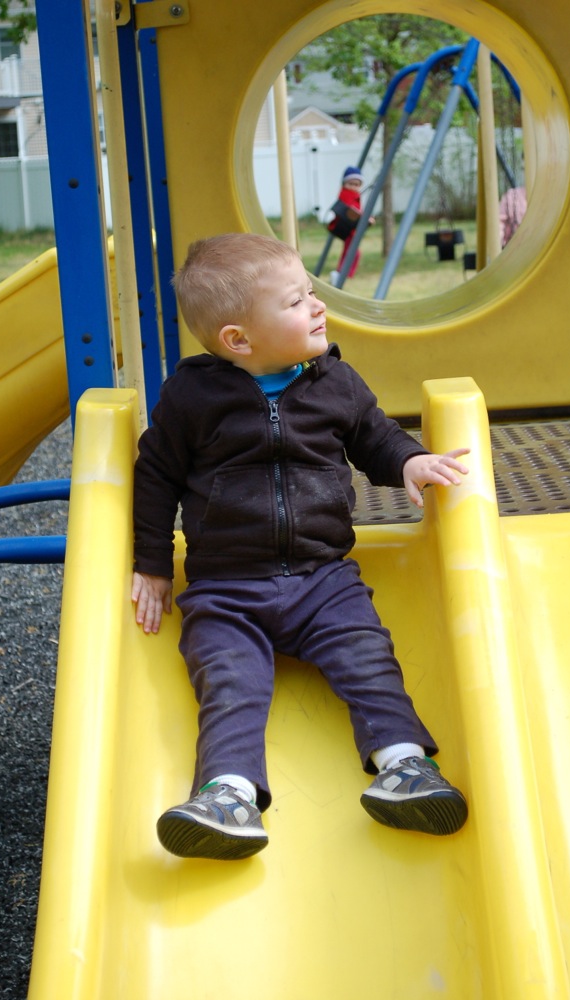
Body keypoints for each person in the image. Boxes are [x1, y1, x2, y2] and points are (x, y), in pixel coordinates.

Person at [132, 232, 469, 861]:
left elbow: (375, 437)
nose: (318, 306)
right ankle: (227, 796)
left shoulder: (335, 382)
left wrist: (410, 461)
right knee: (229, 682)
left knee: (367, 656)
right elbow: (155, 476)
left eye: (310, 292)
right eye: (295, 301)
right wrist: (151, 565)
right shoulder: (192, 399)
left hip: (323, 578)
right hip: (225, 590)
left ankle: (405, 766)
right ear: (238, 339)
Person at [327, 166, 375, 286]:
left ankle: (340, 273)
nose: (354, 187)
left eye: (357, 184)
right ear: (344, 184)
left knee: (349, 251)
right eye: (351, 184)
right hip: (346, 227)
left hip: (350, 228)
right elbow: (351, 210)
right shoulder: (346, 194)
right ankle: (342, 274)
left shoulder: (355, 195)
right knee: (353, 253)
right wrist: (366, 218)